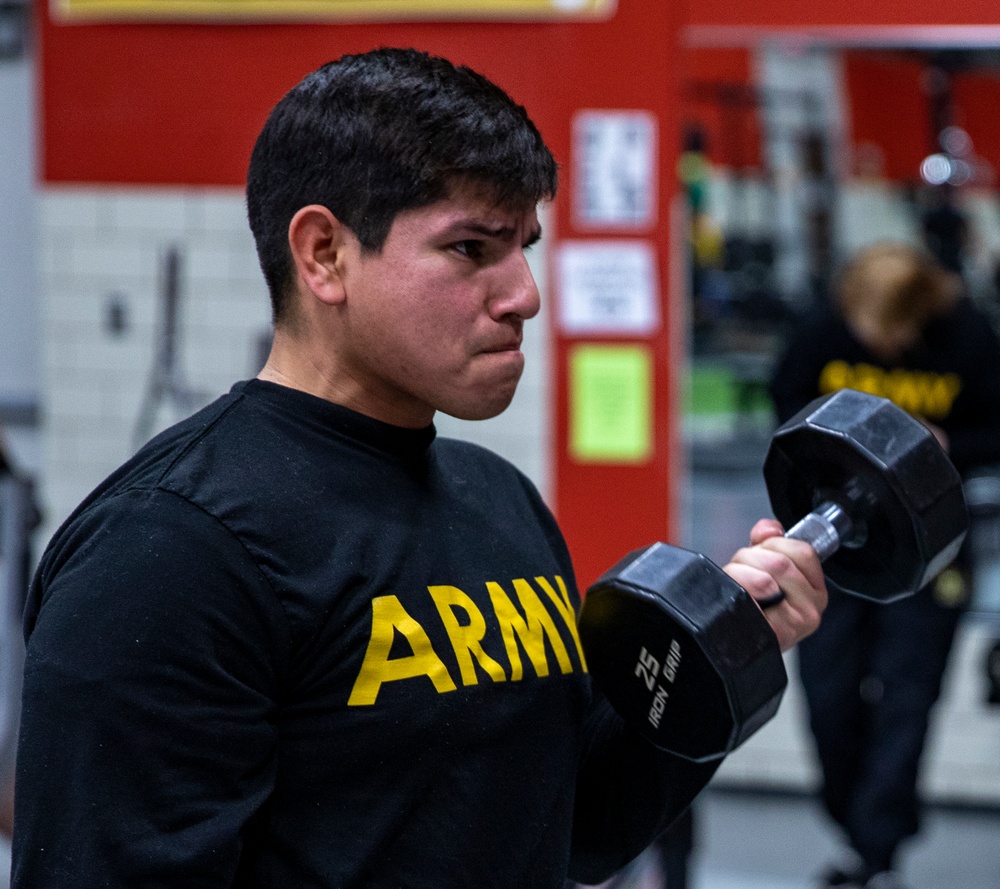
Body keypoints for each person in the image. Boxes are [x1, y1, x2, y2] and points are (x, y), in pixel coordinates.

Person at [12, 48, 826, 888]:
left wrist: (721, 650)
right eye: (472, 248)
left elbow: (579, 823)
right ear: (325, 253)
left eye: (525, 246)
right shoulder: (170, 550)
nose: (525, 294)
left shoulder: (499, 500)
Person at [770, 241, 1000, 889]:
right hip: (834, 543)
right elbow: (785, 409)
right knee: (828, 695)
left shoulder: (965, 337)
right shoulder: (824, 330)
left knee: (908, 696)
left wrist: (949, 445)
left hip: (933, 549)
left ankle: (874, 854)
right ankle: (862, 828)